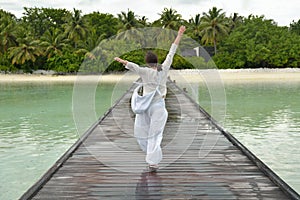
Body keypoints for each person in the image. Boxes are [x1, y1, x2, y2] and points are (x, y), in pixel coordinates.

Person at [114, 25, 186, 172]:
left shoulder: (144, 71)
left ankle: (149, 155)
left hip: (145, 107)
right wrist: (179, 34)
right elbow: (172, 52)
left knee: (141, 132)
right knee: (156, 134)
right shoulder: (164, 69)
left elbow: (131, 65)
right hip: (158, 106)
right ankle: (153, 162)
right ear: (157, 60)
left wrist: (121, 60)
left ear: (147, 62)